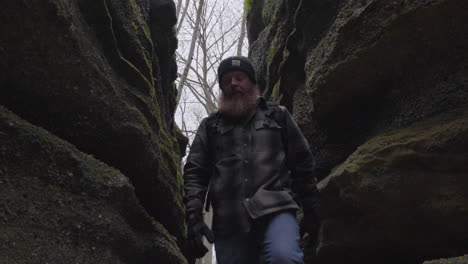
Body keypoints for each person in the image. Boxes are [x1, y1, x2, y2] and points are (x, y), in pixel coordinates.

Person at [183, 56, 318, 264]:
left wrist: (311, 209)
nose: (234, 83)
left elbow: (302, 162)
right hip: (229, 222)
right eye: (227, 80)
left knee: (284, 258)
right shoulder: (210, 127)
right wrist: (194, 217)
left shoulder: (277, 116)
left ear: (253, 83)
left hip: (276, 210)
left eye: (240, 78)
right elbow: (195, 172)